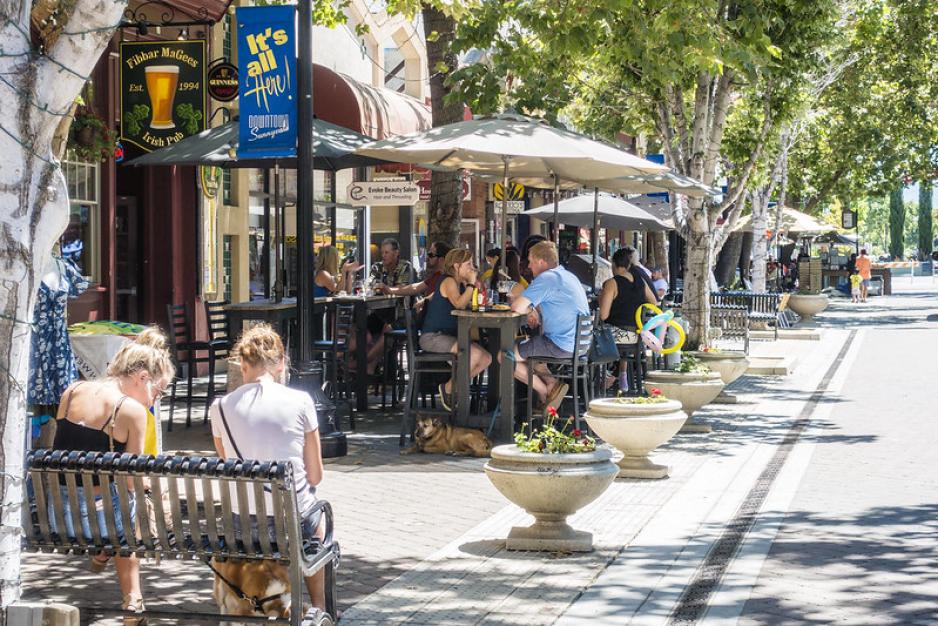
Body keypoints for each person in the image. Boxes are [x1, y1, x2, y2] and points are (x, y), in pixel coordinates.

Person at [50, 333, 174, 623]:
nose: (156, 398)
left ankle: (107, 560)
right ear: (142, 377)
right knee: (131, 507)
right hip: (101, 520)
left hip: (58, 515)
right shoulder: (132, 411)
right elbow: (130, 482)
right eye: (159, 390)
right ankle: (133, 601)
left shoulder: (72, 391)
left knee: (116, 504)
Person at [210, 324, 328, 612]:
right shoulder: (301, 401)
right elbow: (315, 475)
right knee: (318, 523)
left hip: (242, 525)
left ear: (242, 362)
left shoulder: (221, 407)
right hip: (292, 521)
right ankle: (319, 607)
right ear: (281, 363)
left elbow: (229, 465)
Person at [505, 241, 589, 413]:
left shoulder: (547, 278)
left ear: (541, 262)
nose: (528, 266)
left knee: (505, 357)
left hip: (559, 344)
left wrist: (527, 308)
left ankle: (547, 391)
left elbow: (517, 307)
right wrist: (533, 310)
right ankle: (552, 383)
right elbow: (549, 305)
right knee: (532, 348)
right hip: (579, 344)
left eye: (530, 261)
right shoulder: (567, 276)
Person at [419, 249, 493, 410]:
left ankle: (453, 388)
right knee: (474, 354)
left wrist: (471, 286)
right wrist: (472, 284)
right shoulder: (448, 281)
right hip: (433, 337)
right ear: (456, 265)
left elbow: (467, 306)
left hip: (449, 336)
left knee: (486, 358)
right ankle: (449, 389)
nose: (472, 268)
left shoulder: (459, 283)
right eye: (468, 264)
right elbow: (459, 304)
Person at [378, 241, 452, 300]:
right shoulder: (436, 276)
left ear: (441, 259)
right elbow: (415, 288)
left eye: (430, 255)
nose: (427, 257)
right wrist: (389, 290)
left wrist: (424, 301)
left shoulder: (449, 278)